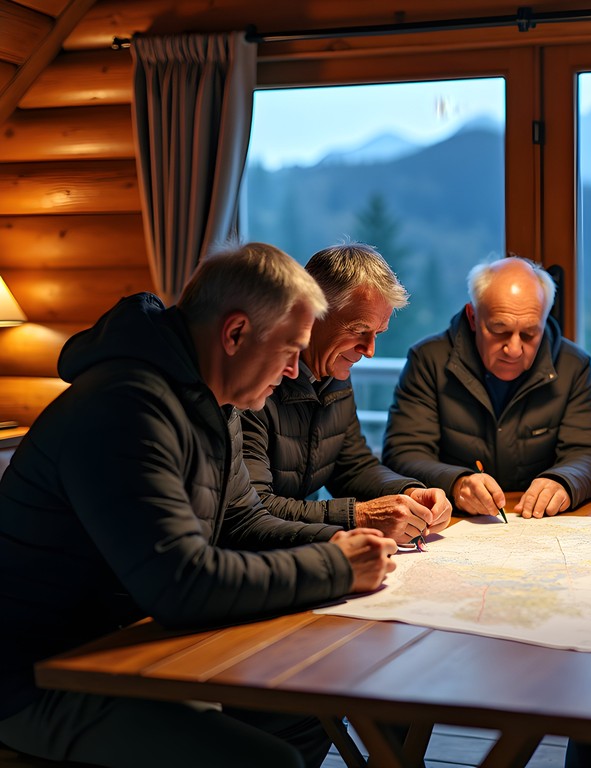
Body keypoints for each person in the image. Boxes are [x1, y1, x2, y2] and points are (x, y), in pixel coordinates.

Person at [0, 243, 398, 768]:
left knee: (308, 711)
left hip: (125, 648)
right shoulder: (126, 406)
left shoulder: (213, 400)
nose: (295, 369)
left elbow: (246, 520)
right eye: (288, 349)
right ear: (235, 334)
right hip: (37, 677)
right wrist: (336, 566)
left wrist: (350, 547)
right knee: (268, 760)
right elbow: (181, 585)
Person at [241, 243, 451, 544]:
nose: (369, 351)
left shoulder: (334, 373)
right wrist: (359, 516)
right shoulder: (254, 383)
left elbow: (352, 466)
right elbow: (255, 507)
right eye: (358, 329)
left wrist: (407, 492)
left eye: (378, 333)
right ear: (312, 311)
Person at [383, 256, 591, 518]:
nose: (513, 349)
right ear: (472, 317)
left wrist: (563, 481)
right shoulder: (429, 361)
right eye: (499, 330)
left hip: (538, 522)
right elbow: (403, 453)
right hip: (454, 521)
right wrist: (456, 483)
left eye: (529, 334)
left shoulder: (573, 365)